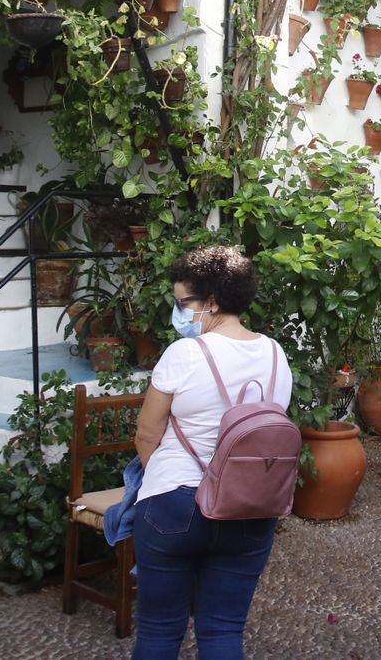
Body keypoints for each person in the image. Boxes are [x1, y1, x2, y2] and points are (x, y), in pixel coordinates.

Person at [132, 245, 292, 660]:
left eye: (184, 302)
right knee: (223, 630)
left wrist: (166, 482)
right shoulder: (275, 354)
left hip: (176, 502)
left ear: (213, 301)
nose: (179, 311)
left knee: (158, 631)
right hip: (250, 506)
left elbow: (147, 433)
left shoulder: (184, 354)